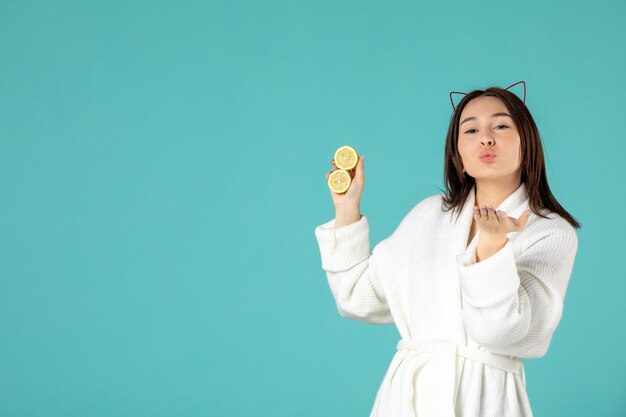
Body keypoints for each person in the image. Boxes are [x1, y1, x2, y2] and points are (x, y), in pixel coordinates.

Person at [313, 81, 580, 417]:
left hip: (484, 399)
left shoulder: (550, 233)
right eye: (471, 130)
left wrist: (492, 248)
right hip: (406, 399)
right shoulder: (429, 215)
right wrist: (347, 209)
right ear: (459, 154)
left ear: (528, 142)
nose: (486, 137)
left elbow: (500, 333)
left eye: (500, 125)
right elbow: (356, 296)